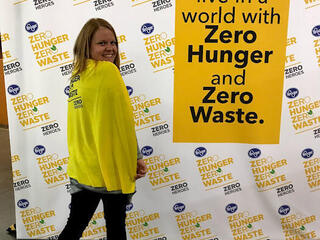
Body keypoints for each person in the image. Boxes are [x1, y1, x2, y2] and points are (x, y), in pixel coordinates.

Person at [58, 18, 147, 240]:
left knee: (74, 226)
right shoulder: (107, 71)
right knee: (116, 228)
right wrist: (135, 156)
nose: (110, 48)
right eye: (102, 43)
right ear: (86, 45)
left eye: (113, 42)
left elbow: (108, 121)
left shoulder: (78, 76)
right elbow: (123, 123)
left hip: (82, 167)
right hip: (109, 167)